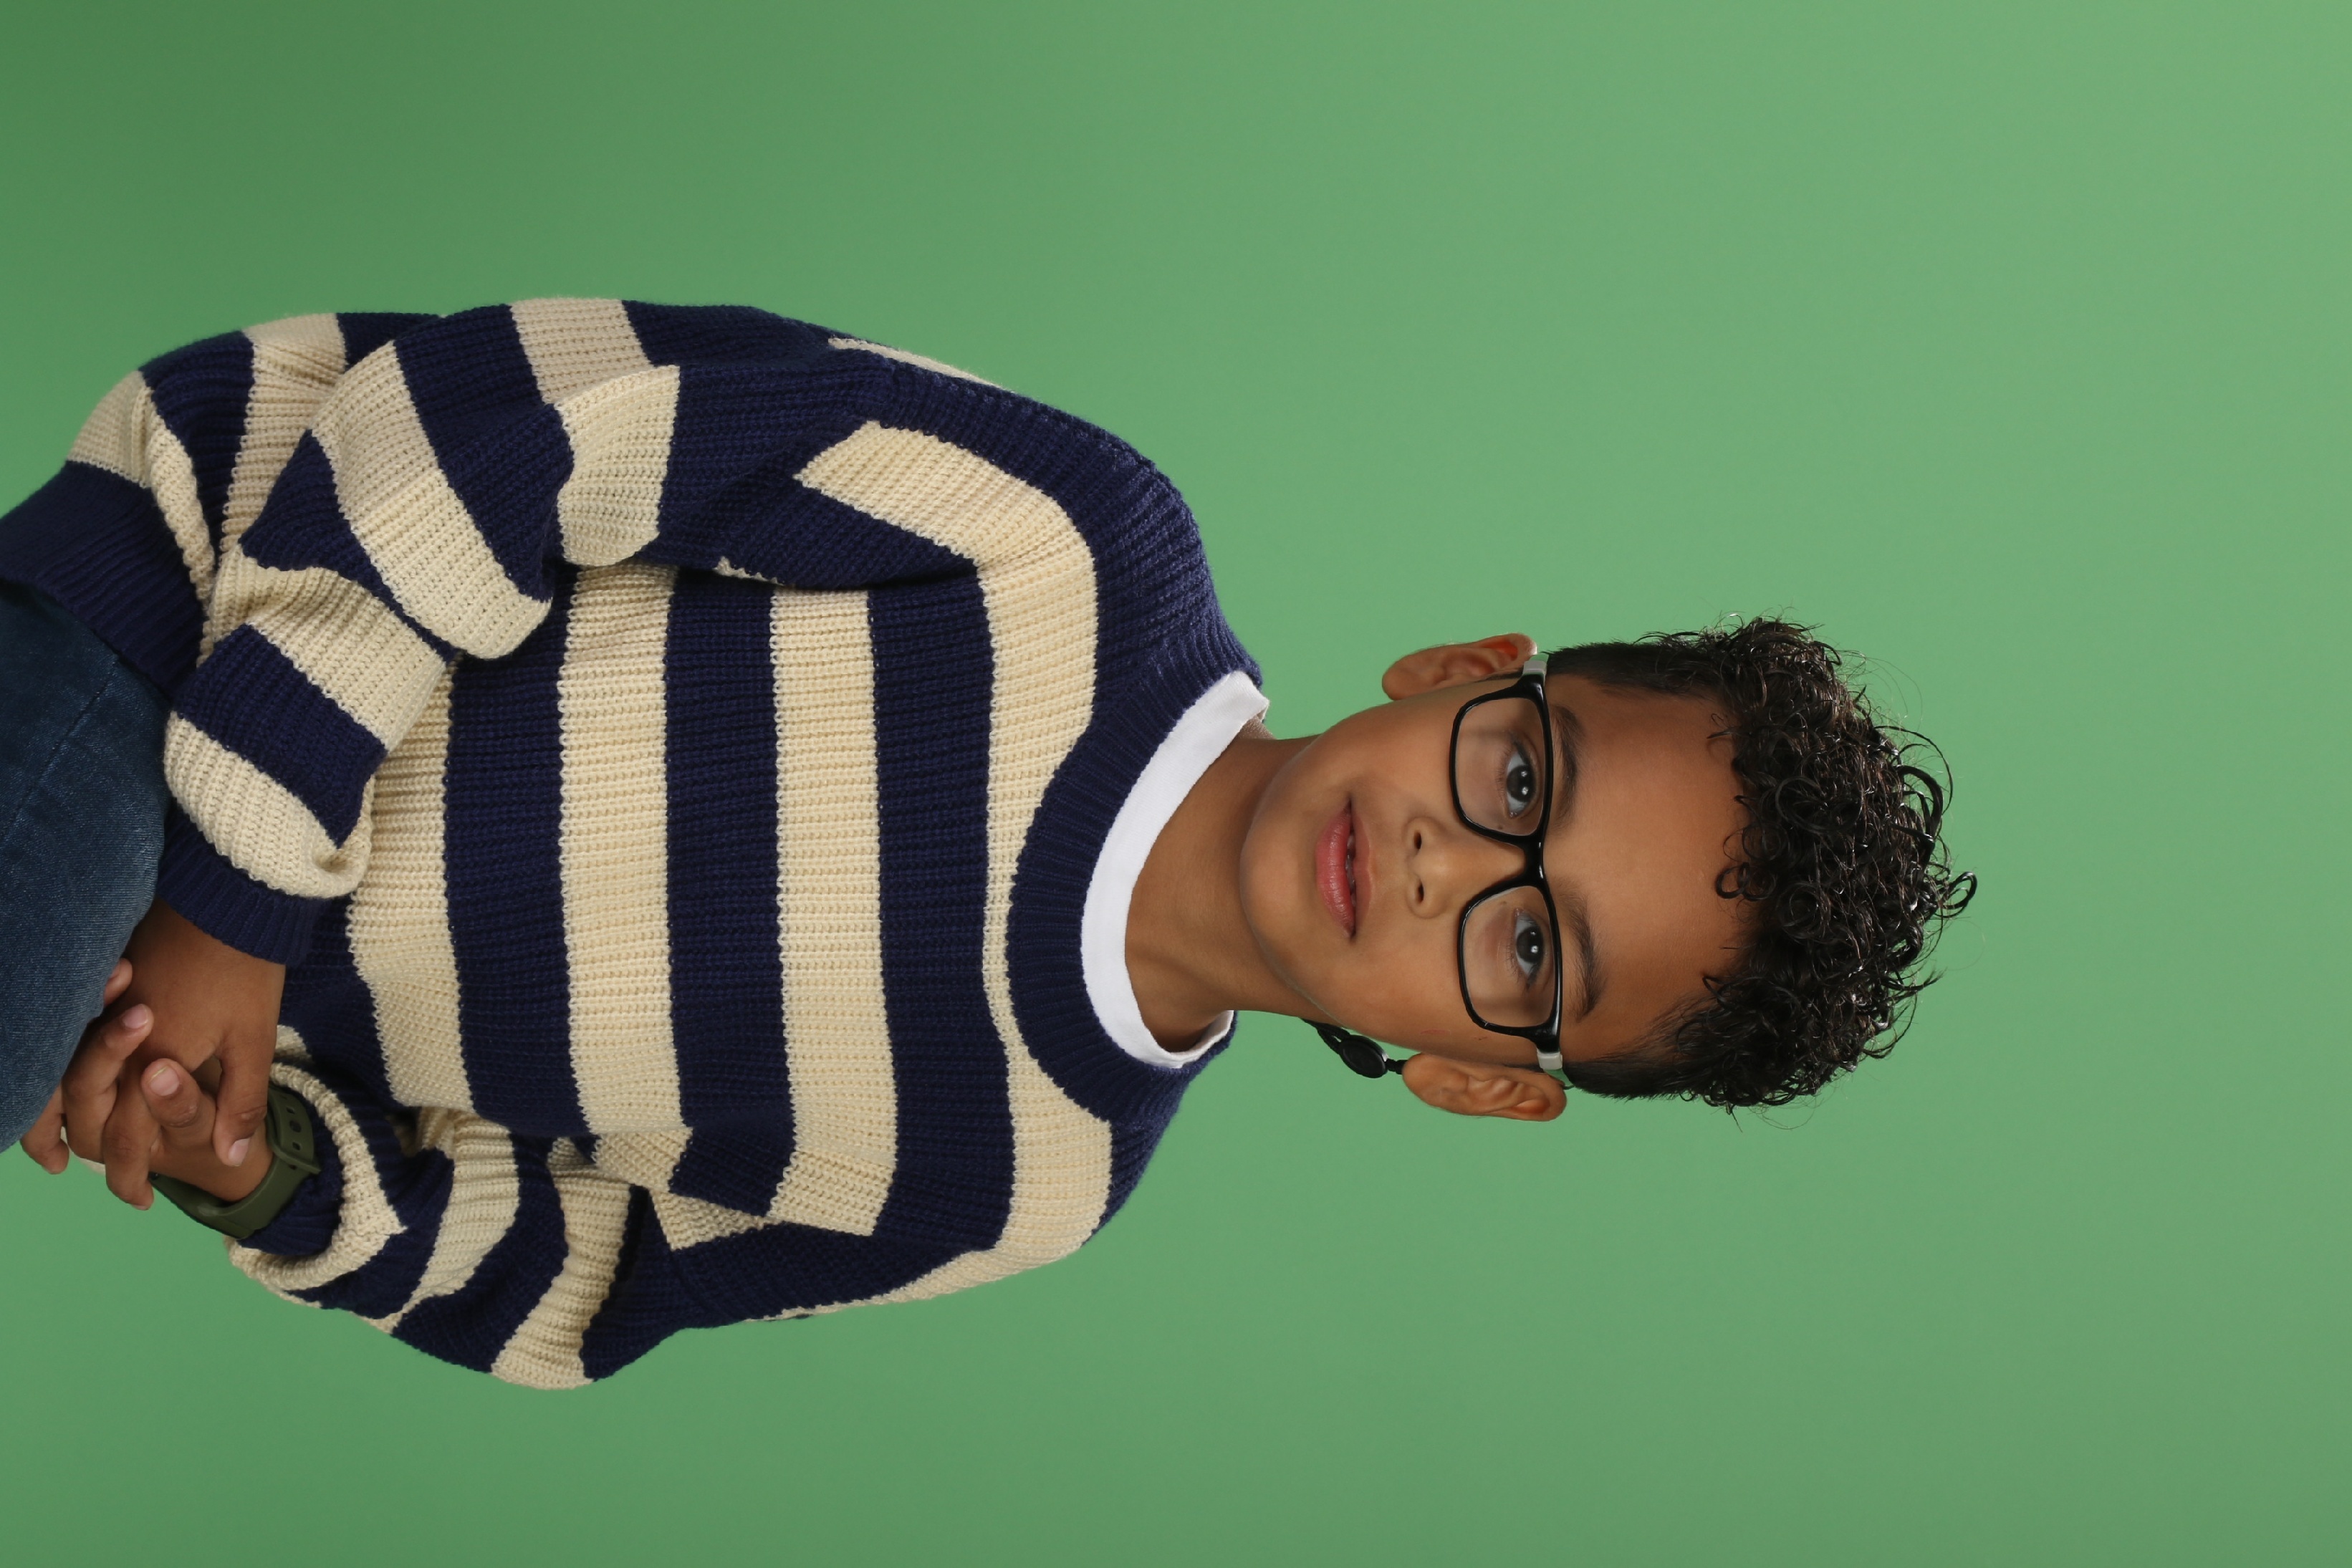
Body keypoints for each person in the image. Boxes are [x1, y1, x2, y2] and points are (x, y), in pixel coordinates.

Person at [0, 301, 1969, 1387]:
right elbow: (496, 424)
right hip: (177, 620)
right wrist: (234, 909)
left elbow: (579, 1272)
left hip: (161, 988)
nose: (1457, 861)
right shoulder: (1070, 551)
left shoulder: (1022, 1186)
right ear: (1464, 669)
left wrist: (265, 1170)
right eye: (1523, 781)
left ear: (1478, 1076)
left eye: (1534, 953)